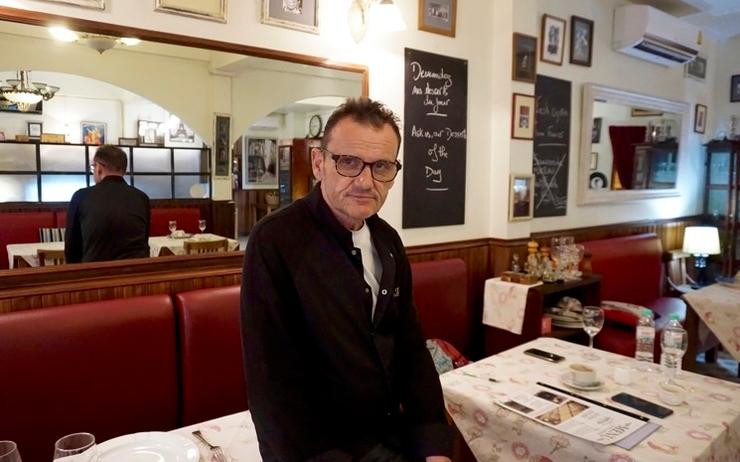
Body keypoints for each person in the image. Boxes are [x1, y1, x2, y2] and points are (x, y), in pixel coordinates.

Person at [241, 98, 452, 462]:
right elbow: (272, 380)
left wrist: (433, 444)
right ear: (320, 163)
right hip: (317, 448)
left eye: (382, 166)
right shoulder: (275, 240)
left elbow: (410, 349)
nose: (366, 182)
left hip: (388, 434)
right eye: (349, 162)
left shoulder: (387, 241)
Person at [65, 145, 150, 263]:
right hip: (137, 273)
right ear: (124, 171)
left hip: (96, 275)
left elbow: (72, 247)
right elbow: (144, 241)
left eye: (93, 167)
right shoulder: (142, 198)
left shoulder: (81, 197)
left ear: (99, 168)